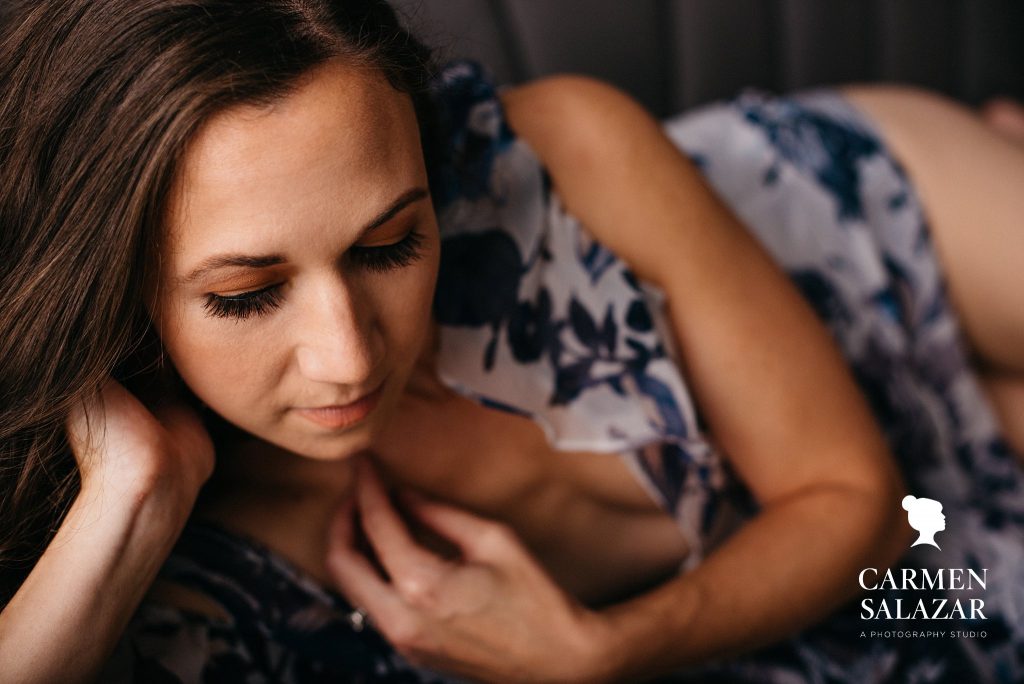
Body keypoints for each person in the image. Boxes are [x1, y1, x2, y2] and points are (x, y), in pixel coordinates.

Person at [0, 0, 1022, 682]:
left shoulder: (563, 154)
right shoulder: (188, 607)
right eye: (245, 296)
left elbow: (854, 502)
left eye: (391, 242)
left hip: (861, 240)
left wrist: (603, 652)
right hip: (884, 491)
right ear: (115, 291)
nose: (350, 357)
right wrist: (133, 492)